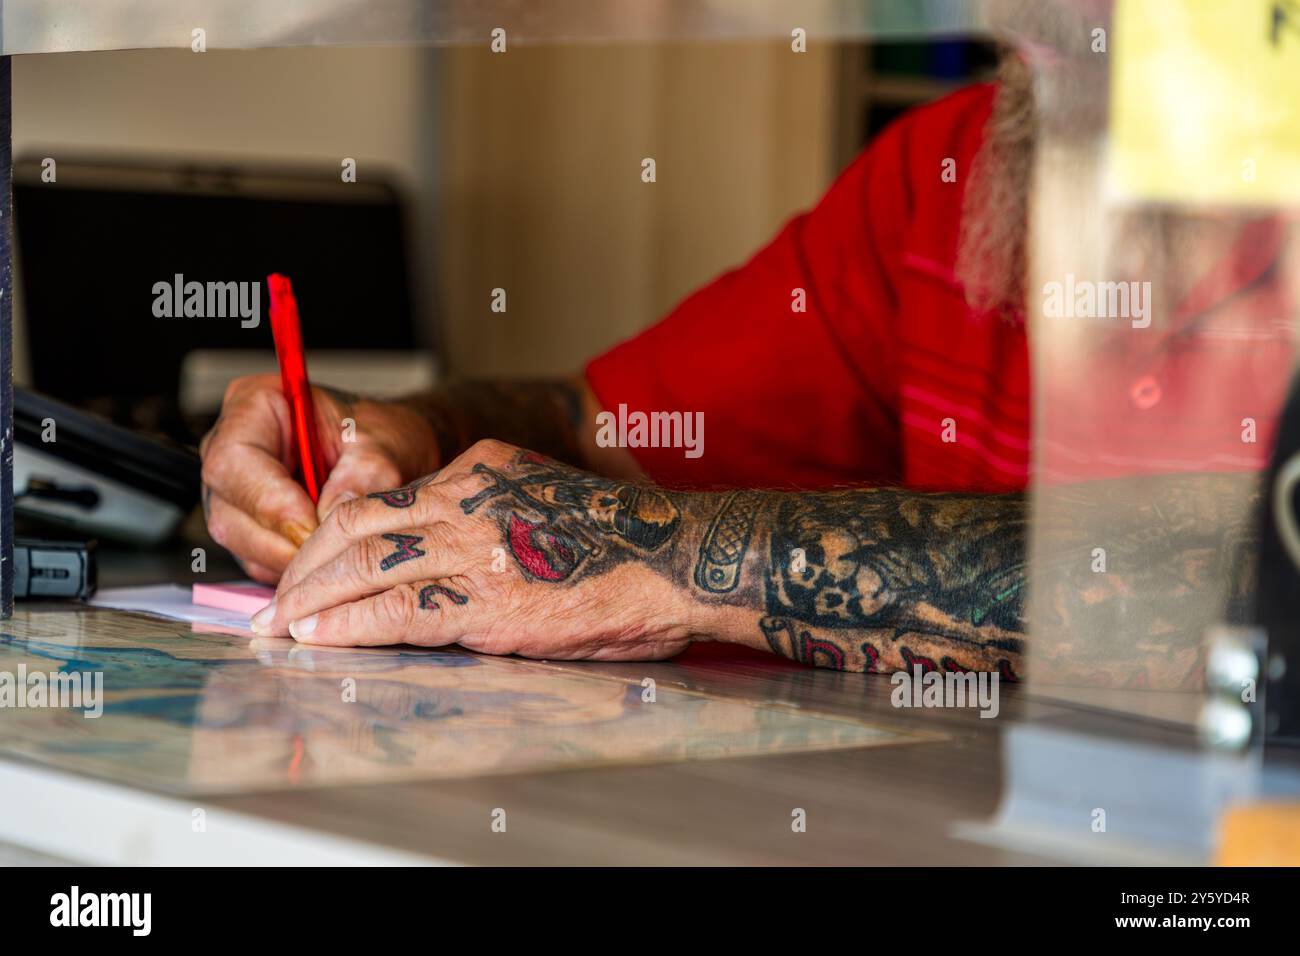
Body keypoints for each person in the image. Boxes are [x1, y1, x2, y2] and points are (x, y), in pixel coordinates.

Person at [200, 54, 1285, 687]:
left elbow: (1264, 567)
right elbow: (599, 424)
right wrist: (395, 437)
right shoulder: (958, 166)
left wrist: (660, 559)